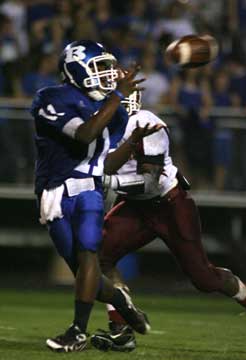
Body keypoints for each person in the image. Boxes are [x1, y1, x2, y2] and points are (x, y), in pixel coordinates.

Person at [90, 90, 246, 352]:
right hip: (135, 206)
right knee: (98, 256)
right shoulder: (97, 128)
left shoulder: (146, 123)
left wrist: (110, 182)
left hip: (169, 204)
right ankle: (121, 329)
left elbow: (150, 181)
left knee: (204, 278)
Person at [31, 40, 162, 353]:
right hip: (56, 190)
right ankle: (119, 299)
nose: (108, 73)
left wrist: (131, 141)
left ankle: (77, 331)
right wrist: (116, 98)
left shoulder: (110, 109)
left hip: (89, 188)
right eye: (100, 66)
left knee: (90, 255)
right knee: (83, 274)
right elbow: (85, 133)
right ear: (77, 67)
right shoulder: (52, 97)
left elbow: (104, 161)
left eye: (108, 66)